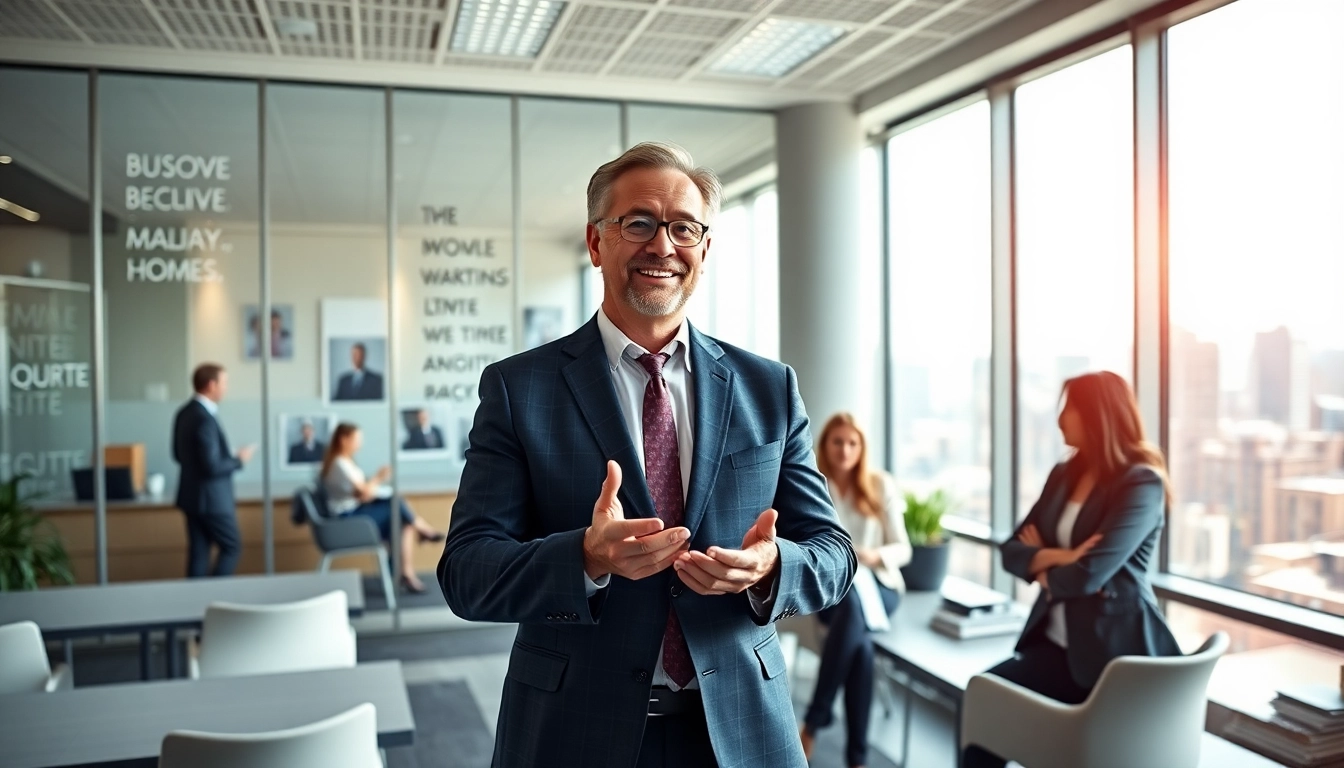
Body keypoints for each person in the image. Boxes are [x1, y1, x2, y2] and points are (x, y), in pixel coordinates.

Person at [438, 142, 855, 768]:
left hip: (741, 731)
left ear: (705, 249)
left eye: (683, 227)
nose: (663, 246)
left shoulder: (769, 387)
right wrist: (583, 557)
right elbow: (467, 573)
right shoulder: (519, 389)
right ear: (595, 242)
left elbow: (833, 553)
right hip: (574, 729)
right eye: (638, 223)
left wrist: (771, 568)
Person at [963, 371, 1182, 768]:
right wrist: (1065, 557)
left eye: (1070, 409)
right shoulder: (1066, 474)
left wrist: (1045, 562)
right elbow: (1011, 550)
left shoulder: (1141, 485)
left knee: (994, 712)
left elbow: (1089, 574)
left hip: (1112, 659)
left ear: (1097, 416)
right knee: (980, 704)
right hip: (1053, 647)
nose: (1061, 419)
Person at [800, 413, 910, 768]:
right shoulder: (812, 483)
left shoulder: (880, 485)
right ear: (825, 445)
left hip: (879, 586)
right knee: (859, 643)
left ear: (862, 448)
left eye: (853, 443)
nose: (845, 450)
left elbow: (903, 549)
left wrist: (872, 555)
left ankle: (814, 723)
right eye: (837, 442)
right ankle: (857, 758)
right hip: (833, 589)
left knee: (855, 614)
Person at [319, 423, 445, 593]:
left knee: (403, 521)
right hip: (348, 519)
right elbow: (362, 493)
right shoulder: (339, 464)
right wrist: (378, 477)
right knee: (396, 504)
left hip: (356, 512)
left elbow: (359, 493)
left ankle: (407, 572)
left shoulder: (344, 462)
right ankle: (423, 531)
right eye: (357, 439)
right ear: (343, 439)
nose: (360, 444)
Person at [172, 364, 254, 578]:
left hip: (191, 497)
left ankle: (195, 603)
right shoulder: (204, 419)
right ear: (211, 385)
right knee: (232, 547)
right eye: (224, 383)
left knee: (199, 553)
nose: (226, 388)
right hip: (212, 500)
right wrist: (239, 460)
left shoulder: (184, 413)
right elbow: (212, 466)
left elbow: (178, 455)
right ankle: (213, 596)